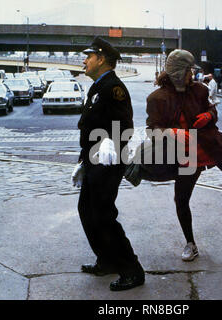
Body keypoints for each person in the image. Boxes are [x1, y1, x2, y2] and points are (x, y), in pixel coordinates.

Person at [125, 49, 222, 261]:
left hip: (211, 145)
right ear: (178, 72)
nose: (192, 74)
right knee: (181, 199)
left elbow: (213, 110)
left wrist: (209, 115)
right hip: (184, 157)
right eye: (189, 70)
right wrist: (173, 132)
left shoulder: (199, 90)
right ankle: (190, 244)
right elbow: (152, 129)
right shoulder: (156, 98)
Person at [71, 37, 145, 291]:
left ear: (101, 59)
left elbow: (125, 125)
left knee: (103, 215)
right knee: (86, 210)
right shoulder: (98, 86)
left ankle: (131, 269)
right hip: (94, 159)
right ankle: (106, 259)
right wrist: (84, 160)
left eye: (88, 56)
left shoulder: (114, 88)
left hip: (108, 160)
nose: (84, 60)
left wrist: (110, 145)